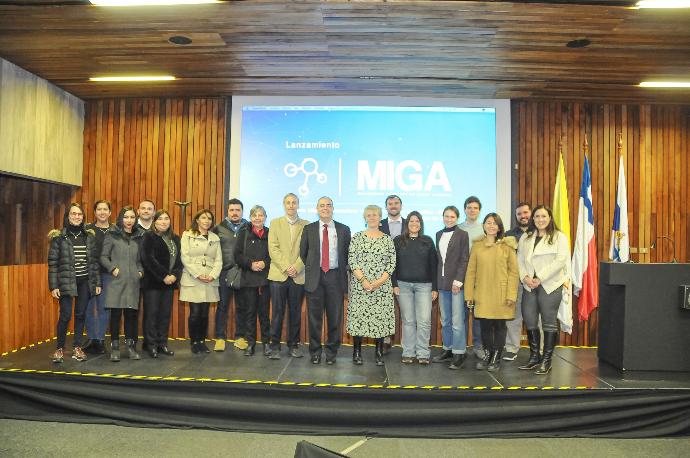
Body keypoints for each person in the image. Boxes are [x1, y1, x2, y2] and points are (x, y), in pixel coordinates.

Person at [517, 205, 570, 375]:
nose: (540, 219)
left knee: (548, 322)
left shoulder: (559, 237)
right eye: (537, 216)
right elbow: (520, 259)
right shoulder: (526, 237)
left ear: (550, 218)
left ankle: (546, 361)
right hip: (529, 285)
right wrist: (525, 277)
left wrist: (540, 278)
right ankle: (534, 358)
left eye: (544, 216)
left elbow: (560, 261)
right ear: (533, 219)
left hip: (550, 285)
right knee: (530, 320)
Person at [464, 213, 519, 372]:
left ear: (499, 227)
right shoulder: (477, 246)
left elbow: (514, 272)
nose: (491, 226)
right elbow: (470, 272)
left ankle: (496, 357)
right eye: (488, 223)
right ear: (484, 225)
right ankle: (488, 355)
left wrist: (511, 295)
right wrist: (469, 295)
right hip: (482, 293)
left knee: (500, 326)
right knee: (485, 327)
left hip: (502, 294)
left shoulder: (507, 245)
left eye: (495, 223)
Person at [299, 196, 351, 365]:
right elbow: (303, 253)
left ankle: (331, 352)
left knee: (335, 318)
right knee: (314, 319)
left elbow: (347, 255)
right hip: (315, 277)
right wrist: (315, 267)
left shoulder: (344, 229)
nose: (325, 208)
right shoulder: (309, 229)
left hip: (335, 277)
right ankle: (315, 352)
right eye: (322, 205)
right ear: (317, 209)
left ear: (333, 208)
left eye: (328, 205)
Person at [48, 203, 101, 363]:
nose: (77, 216)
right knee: (65, 315)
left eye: (79, 214)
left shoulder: (89, 236)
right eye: (73, 213)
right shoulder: (59, 237)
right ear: (68, 216)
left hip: (85, 282)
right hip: (66, 281)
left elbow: (94, 262)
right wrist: (54, 286)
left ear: (83, 217)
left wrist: (97, 283)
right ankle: (59, 348)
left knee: (80, 314)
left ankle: (77, 347)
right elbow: (53, 264)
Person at [348, 205, 396, 366]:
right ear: (365, 218)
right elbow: (352, 260)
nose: (372, 217)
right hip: (360, 286)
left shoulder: (387, 239)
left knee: (380, 319)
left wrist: (379, 282)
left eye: (375, 215)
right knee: (359, 318)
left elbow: (391, 263)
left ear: (380, 217)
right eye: (369, 215)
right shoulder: (357, 237)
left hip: (381, 287)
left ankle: (379, 352)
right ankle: (357, 352)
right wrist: (364, 281)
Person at [392, 211, 438, 365]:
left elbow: (434, 265)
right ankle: (408, 352)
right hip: (402, 286)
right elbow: (392, 264)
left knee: (424, 321)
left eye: (417, 221)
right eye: (411, 221)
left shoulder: (428, 241)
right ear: (407, 224)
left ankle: (423, 353)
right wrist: (394, 284)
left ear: (421, 224)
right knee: (408, 321)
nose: (414, 223)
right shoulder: (398, 241)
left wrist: (435, 287)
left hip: (424, 286)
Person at [100, 206, 145, 361]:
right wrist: (112, 269)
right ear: (120, 218)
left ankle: (131, 348)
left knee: (131, 316)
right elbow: (103, 257)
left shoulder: (139, 236)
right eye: (126, 217)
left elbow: (140, 260)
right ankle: (115, 349)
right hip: (116, 282)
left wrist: (140, 271)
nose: (129, 220)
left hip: (133, 282)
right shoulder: (112, 235)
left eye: (132, 217)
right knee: (116, 315)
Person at [267, 193, 308, 359]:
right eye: (288, 203)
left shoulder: (307, 225)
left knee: (295, 312)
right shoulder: (275, 223)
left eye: (294, 202)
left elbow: (307, 249)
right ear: (284, 205)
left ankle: (293, 345)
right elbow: (273, 248)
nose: (291, 205)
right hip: (279, 274)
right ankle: (274, 346)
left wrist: (296, 267)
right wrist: (286, 267)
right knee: (277, 312)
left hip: (299, 275)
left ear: (298, 205)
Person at [140, 209, 183, 358]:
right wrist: (164, 275)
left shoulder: (175, 238)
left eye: (166, 219)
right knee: (151, 315)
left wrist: (175, 275)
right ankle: (151, 345)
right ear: (154, 221)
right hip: (153, 282)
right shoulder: (149, 236)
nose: (164, 222)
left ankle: (162, 344)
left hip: (170, 283)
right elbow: (148, 259)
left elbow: (179, 260)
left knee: (165, 315)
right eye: (160, 219)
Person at [180, 209, 223, 354]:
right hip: (193, 278)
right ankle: (194, 342)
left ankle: (202, 342)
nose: (207, 221)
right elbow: (184, 257)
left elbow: (218, 260)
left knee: (204, 313)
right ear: (197, 220)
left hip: (209, 279)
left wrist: (213, 275)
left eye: (209, 218)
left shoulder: (215, 238)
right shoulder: (187, 235)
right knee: (195, 313)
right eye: (203, 218)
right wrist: (197, 274)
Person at [433, 205, 469, 369]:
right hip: (442, 283)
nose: (449, 219)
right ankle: (447, 349)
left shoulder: (463, 234)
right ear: (443, 217)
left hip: (456, 285)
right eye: (446, 216)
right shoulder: (438, 234)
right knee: (445, 320)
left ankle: (459, 352)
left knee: (457, 321)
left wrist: (458, 281)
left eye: (452, 217)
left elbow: (464, 259)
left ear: (457, 218)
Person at [211, 198, 249, 351]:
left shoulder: (249, 227)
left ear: (242, 211)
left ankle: (240, 337)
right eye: (232, 210)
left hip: (243, 272)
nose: (235, 213)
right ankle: (220, 338)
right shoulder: (218, 228)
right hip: (224, 273)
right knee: (222, 306)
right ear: (227, 211)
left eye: (238, 210)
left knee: (242, 306)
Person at [234, 205, 271, 356]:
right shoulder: (243, 233)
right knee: (249, 313)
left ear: (265, 217)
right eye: (254, 215)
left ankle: (266, 343)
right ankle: (251, 344)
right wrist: (250, 264)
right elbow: (237, 255)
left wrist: (265, 263)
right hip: (248, 280)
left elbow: (274, 253)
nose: (257, 218)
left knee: (264, 314)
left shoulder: (270, 233)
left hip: (265, 281)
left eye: (260, 215)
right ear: (250, 218)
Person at [83, 200, 114, 355]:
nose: (102, 212)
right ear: (94, 212)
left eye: (105, 209)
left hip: (108, 275)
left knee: (103, 308)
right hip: (89, 274)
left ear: (110, 212)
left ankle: (100, 339)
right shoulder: (87, 230)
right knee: (88, 307)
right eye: (99, 209)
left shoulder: (115, 230)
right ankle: (91, 339)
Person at [502, 201, 532, 361]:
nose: (523, 216)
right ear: (516, 216)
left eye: (525, 212)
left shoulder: (539, 232)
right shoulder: (508, 235)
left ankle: (539, 349)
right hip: (515, 283)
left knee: (536, 317)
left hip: (534, 282)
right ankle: (511, 348)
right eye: (519, 214)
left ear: (531, 213)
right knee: (513, 316)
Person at [379, 194, 406, 353]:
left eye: (396, 203)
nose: (393, 206)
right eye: (390, 203)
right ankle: (385, 340)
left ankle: (407, 345)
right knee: (383, 309)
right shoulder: (379, 224)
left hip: (405, 272)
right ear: (386, 207)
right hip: (383, 273)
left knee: (407, 311)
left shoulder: (410, 223)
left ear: (401, 206)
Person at [458, 196, 485, 358]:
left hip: (479, 278)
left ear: (479, 210)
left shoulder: (485, 229)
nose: (472, 210)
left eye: (475, 208)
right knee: (460, 315)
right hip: (460, 277)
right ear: (464, 209)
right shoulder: (457, 228)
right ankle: (459, 348)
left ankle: (478, 347)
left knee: (478, 315)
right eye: (469, 207)